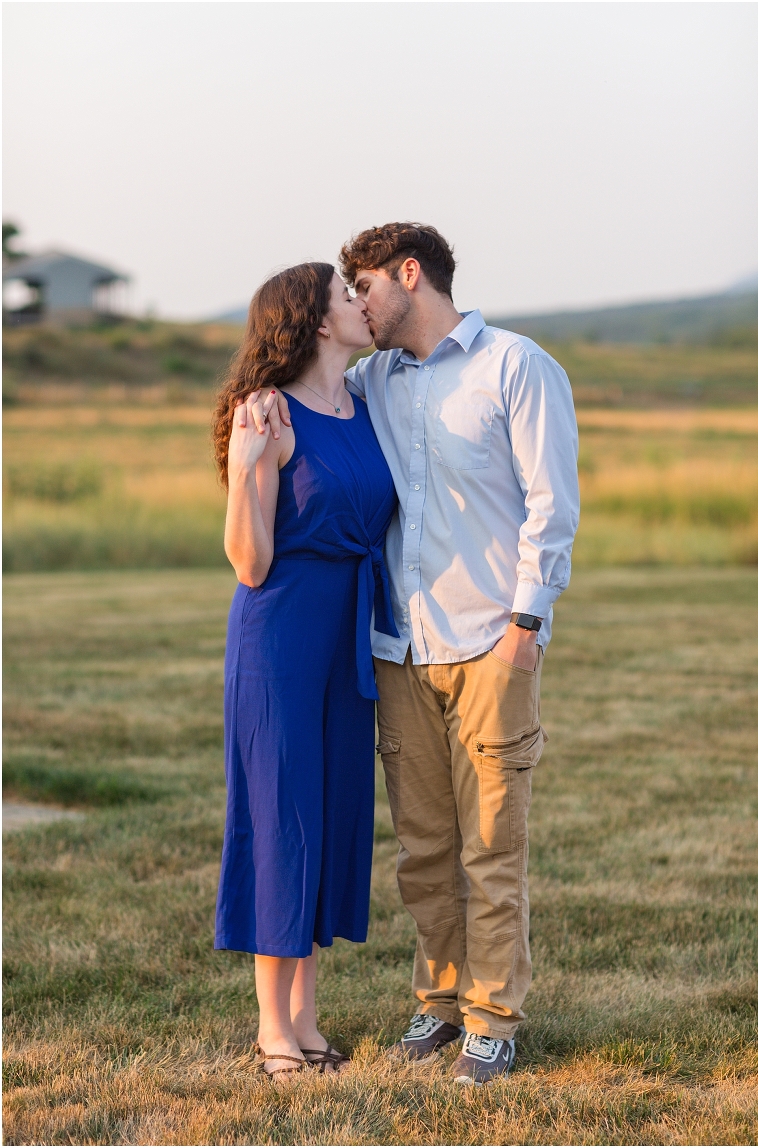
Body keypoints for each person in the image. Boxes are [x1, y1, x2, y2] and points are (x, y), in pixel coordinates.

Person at [262, 223, 580, 1084]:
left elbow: (552, 506)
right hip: (399, 650)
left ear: (410, 275)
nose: (357, 301)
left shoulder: (515, 366)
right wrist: (259, 404)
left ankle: (493, 1019)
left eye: (364, 284)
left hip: (490, 644)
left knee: (490, 841)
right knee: (425, 849)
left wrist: (525, 625)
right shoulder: (374, 380)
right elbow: (306, 381)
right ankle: (439, 1004)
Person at [211, 262, 398, 1080]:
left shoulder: (362, 406)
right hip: (279, 634)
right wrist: (253, 465)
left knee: (326, 815)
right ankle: (271, 1029)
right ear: (318, 321)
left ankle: (310, 1019)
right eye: (346, 296)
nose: (362, 305)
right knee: (281, 816)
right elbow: (248, 562)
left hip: (345, 635)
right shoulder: (268, 412)